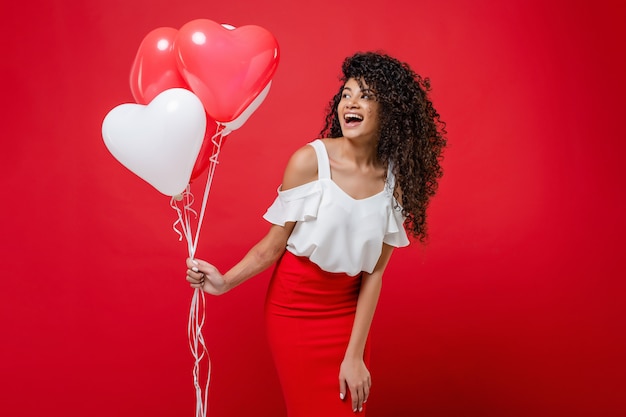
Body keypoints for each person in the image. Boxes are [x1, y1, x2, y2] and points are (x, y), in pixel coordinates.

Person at [185, 51, 447, 416]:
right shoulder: (310, 161)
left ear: (390, 110)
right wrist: (224, 282)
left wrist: (354, 355)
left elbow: (374, 273)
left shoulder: (394, 180)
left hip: (348, 313)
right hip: (294, 309)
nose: (351, 103)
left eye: (366, 96)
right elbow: (272, 247)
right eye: (347, 94)